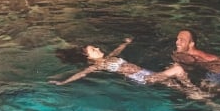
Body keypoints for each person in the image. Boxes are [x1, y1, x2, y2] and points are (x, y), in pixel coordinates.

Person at [49, 38, 201, 94]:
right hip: (143, 78)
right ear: (89, 58)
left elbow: (116, 51)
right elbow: (81, 74)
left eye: (95, 47)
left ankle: (193, 93)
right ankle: (194, 91)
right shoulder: (98, 66)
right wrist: (63, 82)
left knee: (174, 83)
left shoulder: (108, 58)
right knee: (178, 68)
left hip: (147, 73)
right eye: (94, 50)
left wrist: (125, 43)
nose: (98, 49)